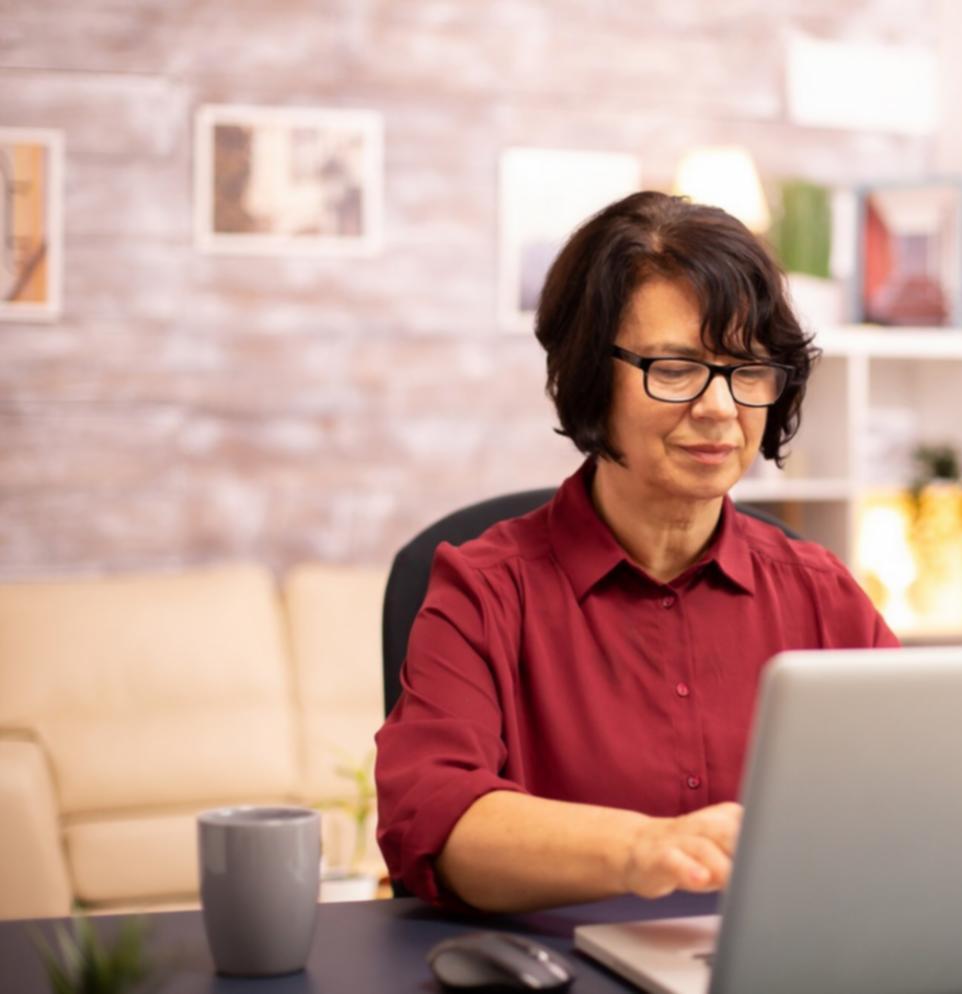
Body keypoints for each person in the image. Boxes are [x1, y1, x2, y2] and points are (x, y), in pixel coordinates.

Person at [375, 191, 898, 914]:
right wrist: (643, 850)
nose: (720, 408)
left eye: (747, 368)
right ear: (592, 377)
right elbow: (436, 821)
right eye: (677, 368)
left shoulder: (821, 594)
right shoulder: (483, 591)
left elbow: (917, 797)